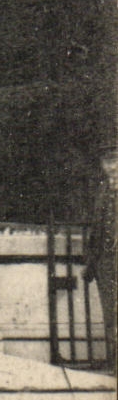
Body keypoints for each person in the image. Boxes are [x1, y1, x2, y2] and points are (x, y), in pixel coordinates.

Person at [87, 144, 117, 369]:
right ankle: (114, 361)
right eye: (107, 162)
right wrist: (91, 260)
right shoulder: (102, 191)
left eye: (116, 161)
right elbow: (96, 228)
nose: (112, 167)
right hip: (105, 261)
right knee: (110, 313)